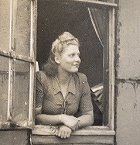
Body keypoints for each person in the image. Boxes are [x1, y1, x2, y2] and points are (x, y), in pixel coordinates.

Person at [35, 32, 94, 139]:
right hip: (43, 138)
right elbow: (36, 116)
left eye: (78, 55)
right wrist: (62, 118)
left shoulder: (81, 80)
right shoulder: (41, 78)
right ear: (57, 59)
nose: (78, 59)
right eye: (72, 55)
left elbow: (89, 116)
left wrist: (71, 126)